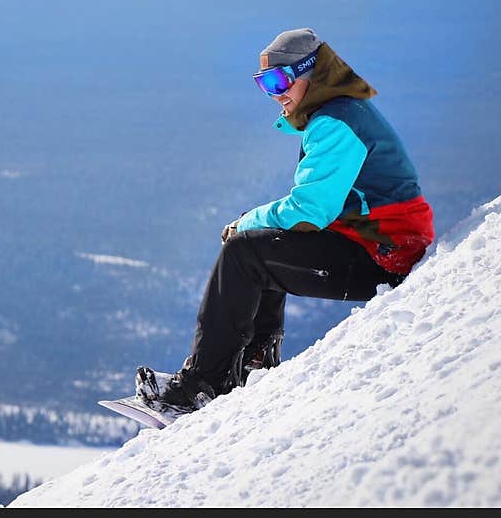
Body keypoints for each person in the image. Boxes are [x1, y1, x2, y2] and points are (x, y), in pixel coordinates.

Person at [136, 28, 434, 413]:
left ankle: (203, 383)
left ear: (313, 73)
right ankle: (254, 364)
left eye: (280, 80)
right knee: (264, 244)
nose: (275, 93)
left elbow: (311, 210)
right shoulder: (337, 112)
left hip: (386, 254)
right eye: (264, 84)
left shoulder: (335, 123)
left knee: (246, 250)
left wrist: (247, 221)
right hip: (382, 244)